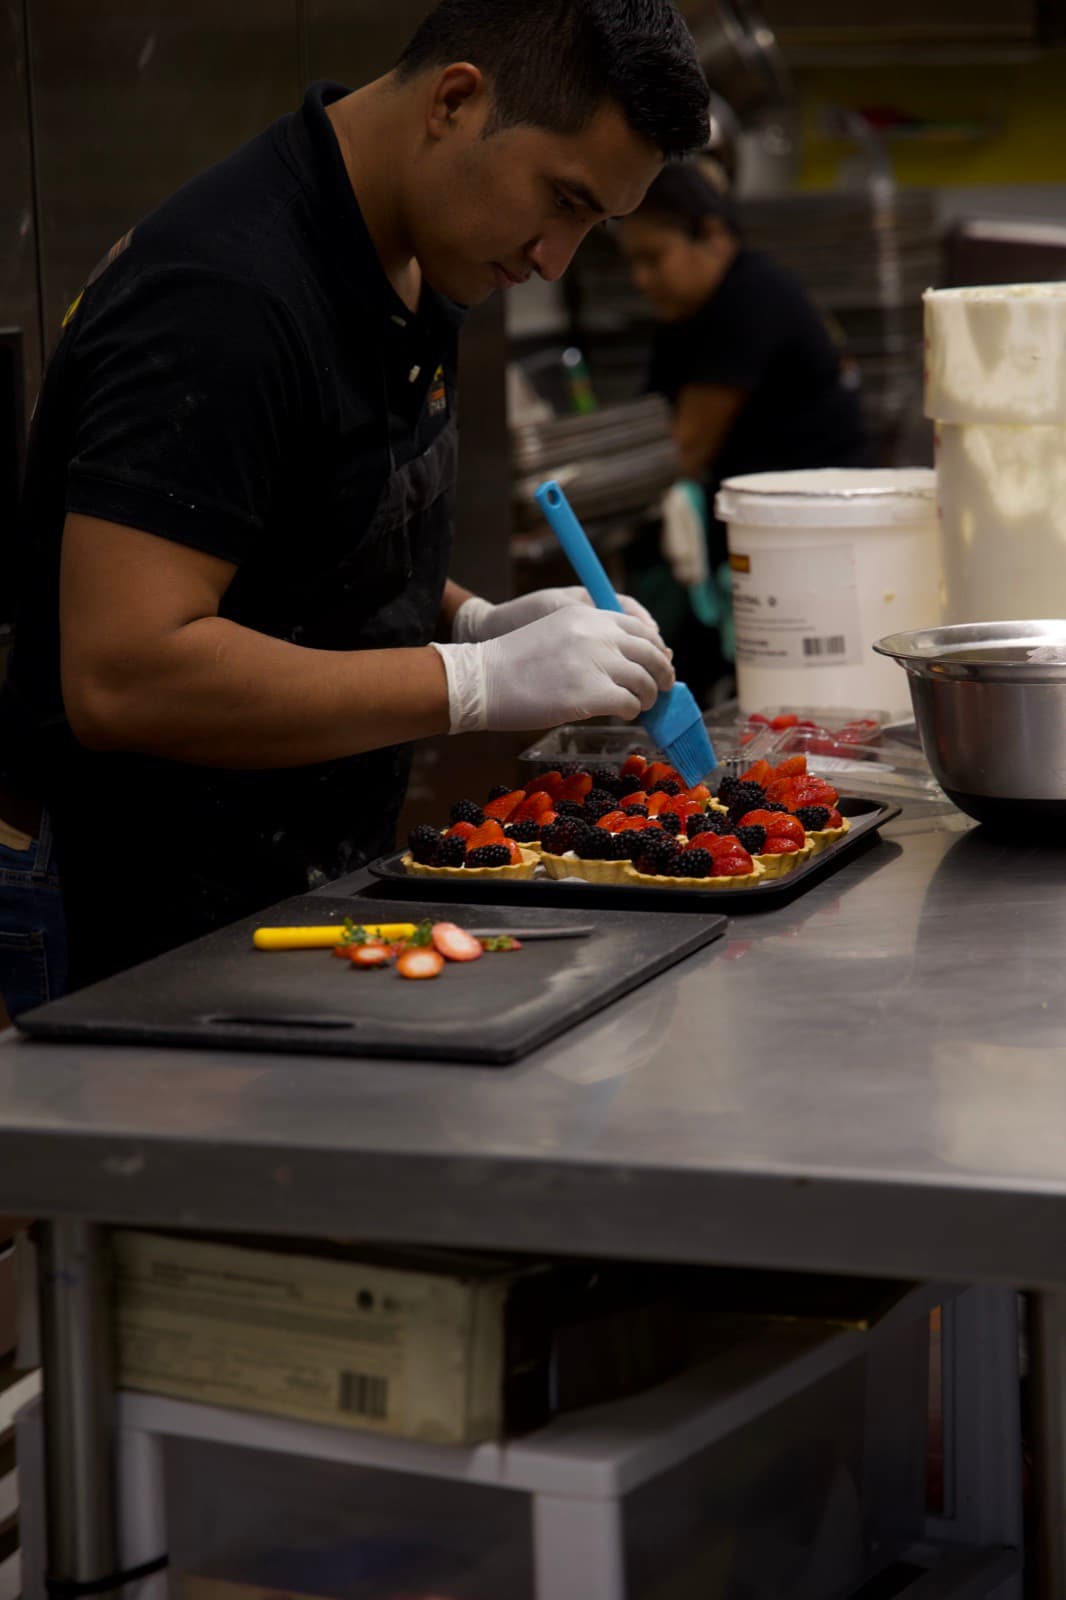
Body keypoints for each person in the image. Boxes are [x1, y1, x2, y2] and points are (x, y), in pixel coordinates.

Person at [0, 0, 710, 1009]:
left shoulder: (420, 254)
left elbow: (305, 543)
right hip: (134, 898)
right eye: (562, 200)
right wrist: (468, 679)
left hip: (284, 877)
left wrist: (470, 613)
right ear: (456, 101)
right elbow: (124, 676)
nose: (557, 257)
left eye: (594, 224)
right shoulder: (225, 297)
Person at [618, 161, 869, 703]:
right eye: (631, 263)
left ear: (710, 235)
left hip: (814, 539)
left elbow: (685, 447)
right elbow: (657, 423)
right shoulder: (687, 311)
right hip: (762, 529)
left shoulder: (749, 298)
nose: (639, 279)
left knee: (803, 695)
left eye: (652, 258)